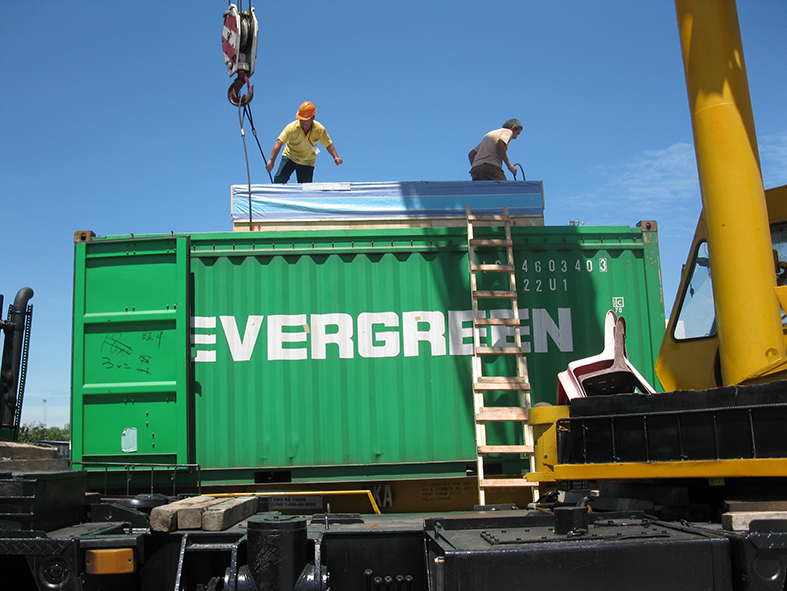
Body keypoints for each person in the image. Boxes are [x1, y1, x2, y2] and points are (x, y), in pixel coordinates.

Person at [266, 101, 343, 183]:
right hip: (290, 156)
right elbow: (279, 143)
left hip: (307, 161)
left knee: (306, 189)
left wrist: (335, 157)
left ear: (313, 118)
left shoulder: (319, 129)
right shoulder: (292, 127)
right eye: (301, 119)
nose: (303, 122)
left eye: (306, 119)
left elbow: (329, 145)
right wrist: (271, 161)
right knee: (279, 180)